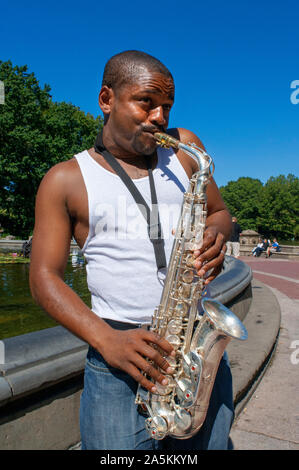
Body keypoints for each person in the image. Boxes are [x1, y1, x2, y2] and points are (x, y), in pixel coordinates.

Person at [29, 50, 233, 450]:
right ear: (107, 99)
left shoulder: (185, 149)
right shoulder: (64, 179)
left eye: (167, 106)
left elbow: (221, 212)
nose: (161, 117)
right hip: (118, 356)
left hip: (195, 347)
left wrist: (217, 234)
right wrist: (106, 341)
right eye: (147, 102)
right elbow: (42, 277)